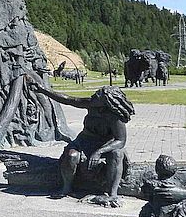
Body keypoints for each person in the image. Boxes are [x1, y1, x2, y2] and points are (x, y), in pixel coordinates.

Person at [26, 73, 135, 207]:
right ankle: (66, 187)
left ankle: (112, 193)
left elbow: (120, 141)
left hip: (105, 145)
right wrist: (43, 90)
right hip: (84, 142)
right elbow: (68, 99)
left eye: (98, 95)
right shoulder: (91, 104)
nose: (94, 95)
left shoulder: (115, 117)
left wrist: (99, 152)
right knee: (71, 155)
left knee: (117, 154)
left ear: (107, 102)